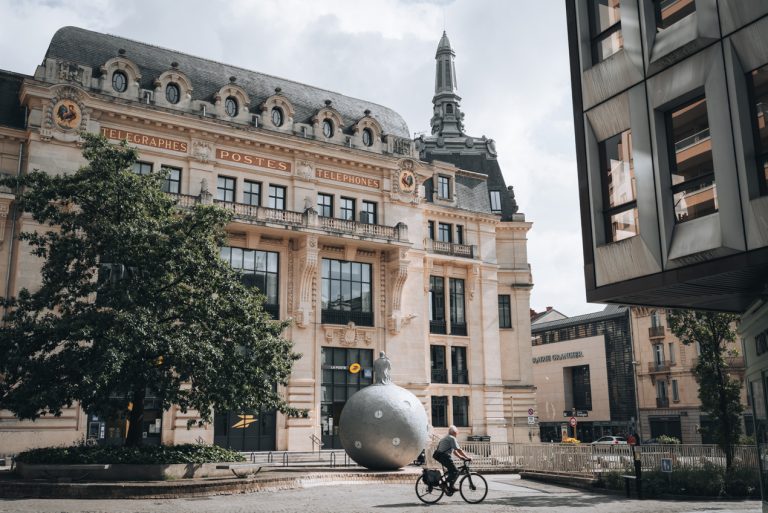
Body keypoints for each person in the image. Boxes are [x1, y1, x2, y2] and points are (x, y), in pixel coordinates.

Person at [432, 425, 471, 492]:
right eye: (456, 433)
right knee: (455, 471)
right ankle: (444, 484)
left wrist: (461, 457)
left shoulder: (446, 437)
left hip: (440, 456)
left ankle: (450, 486)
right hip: (444, 456)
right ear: (454, 432)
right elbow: (458, 450)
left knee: (452, 471)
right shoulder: (451, 438)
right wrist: (467, 457)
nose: (457, 435)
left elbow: (454, 451)